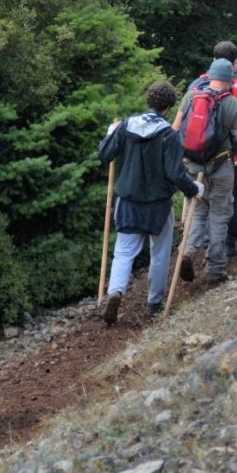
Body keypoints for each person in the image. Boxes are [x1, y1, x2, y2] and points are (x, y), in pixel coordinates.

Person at [97, 81, 201, 325]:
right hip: (157, 204)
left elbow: (104, 154)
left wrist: (111, 133)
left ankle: (116, 292)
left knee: (123, 250)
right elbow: (175, 174)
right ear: (169, 107)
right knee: (160, 252)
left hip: (128, 199)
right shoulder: (169, 135)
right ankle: (154, 305)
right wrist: (194, 189)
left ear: (149, 101)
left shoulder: (125, 126)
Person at [185, 57, 237, 284]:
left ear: (209, 76)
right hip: (220, 166)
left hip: (192, 167)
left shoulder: (191, 97)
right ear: (229, 80)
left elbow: (176, 129)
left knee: (197, 212)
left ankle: (188, 251)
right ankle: (215, 270)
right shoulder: (231, 103)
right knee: (220, 215)